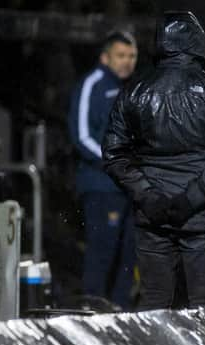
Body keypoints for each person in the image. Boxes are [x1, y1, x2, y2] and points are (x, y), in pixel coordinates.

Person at [103, 11, 205, 310]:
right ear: (198, 43)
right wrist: (191, 198)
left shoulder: (135, 91)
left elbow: (115, 154)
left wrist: (148, 195)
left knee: (154, 302)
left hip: (153, 216)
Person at [68, 31, 138, 310]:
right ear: (105, 56)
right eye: (121, 55)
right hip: (102, 185)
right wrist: (116, 162)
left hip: (130, 186)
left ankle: (120, 311)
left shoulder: (131, 86)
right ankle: (93, 309)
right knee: (101, 251)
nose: (127, 62)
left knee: (128, 252)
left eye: (132, 56)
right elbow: (82, 135)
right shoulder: (92, 83)